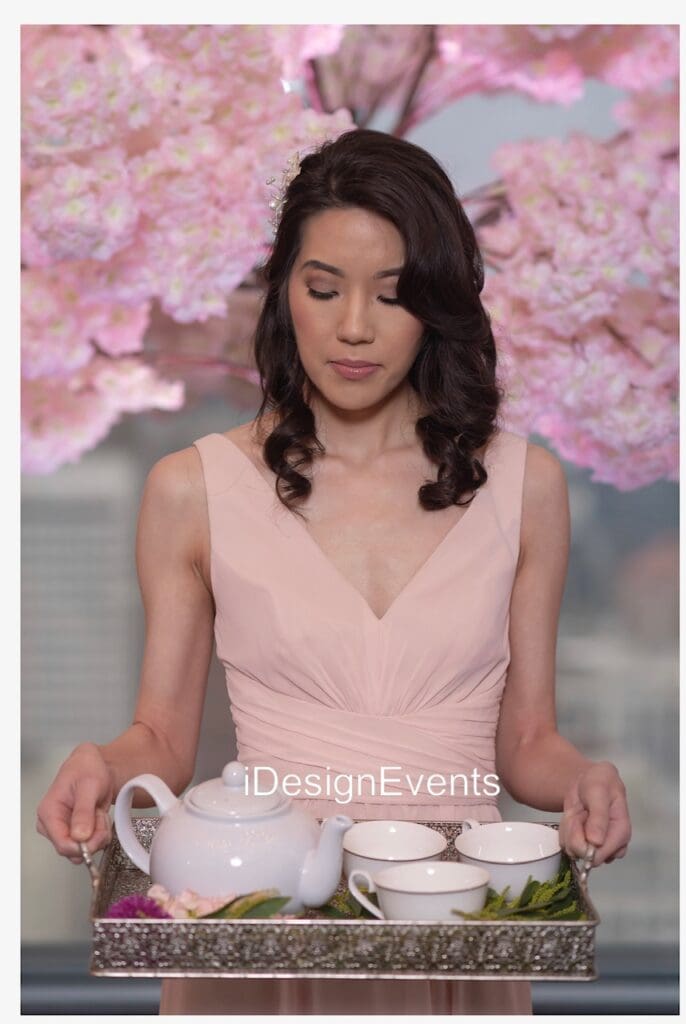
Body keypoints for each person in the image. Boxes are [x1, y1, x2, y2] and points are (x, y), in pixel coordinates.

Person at [36, 128, 632, 1015]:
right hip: (258, 898)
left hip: (451, 909)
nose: (354, 327)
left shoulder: (525, 484)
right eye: (324, 289)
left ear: (437, 305)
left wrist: (585, 776)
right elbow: (161, 737)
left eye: (392, 296)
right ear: (285, 294)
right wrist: (100, 762)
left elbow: (526, 744)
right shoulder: (193, 488)